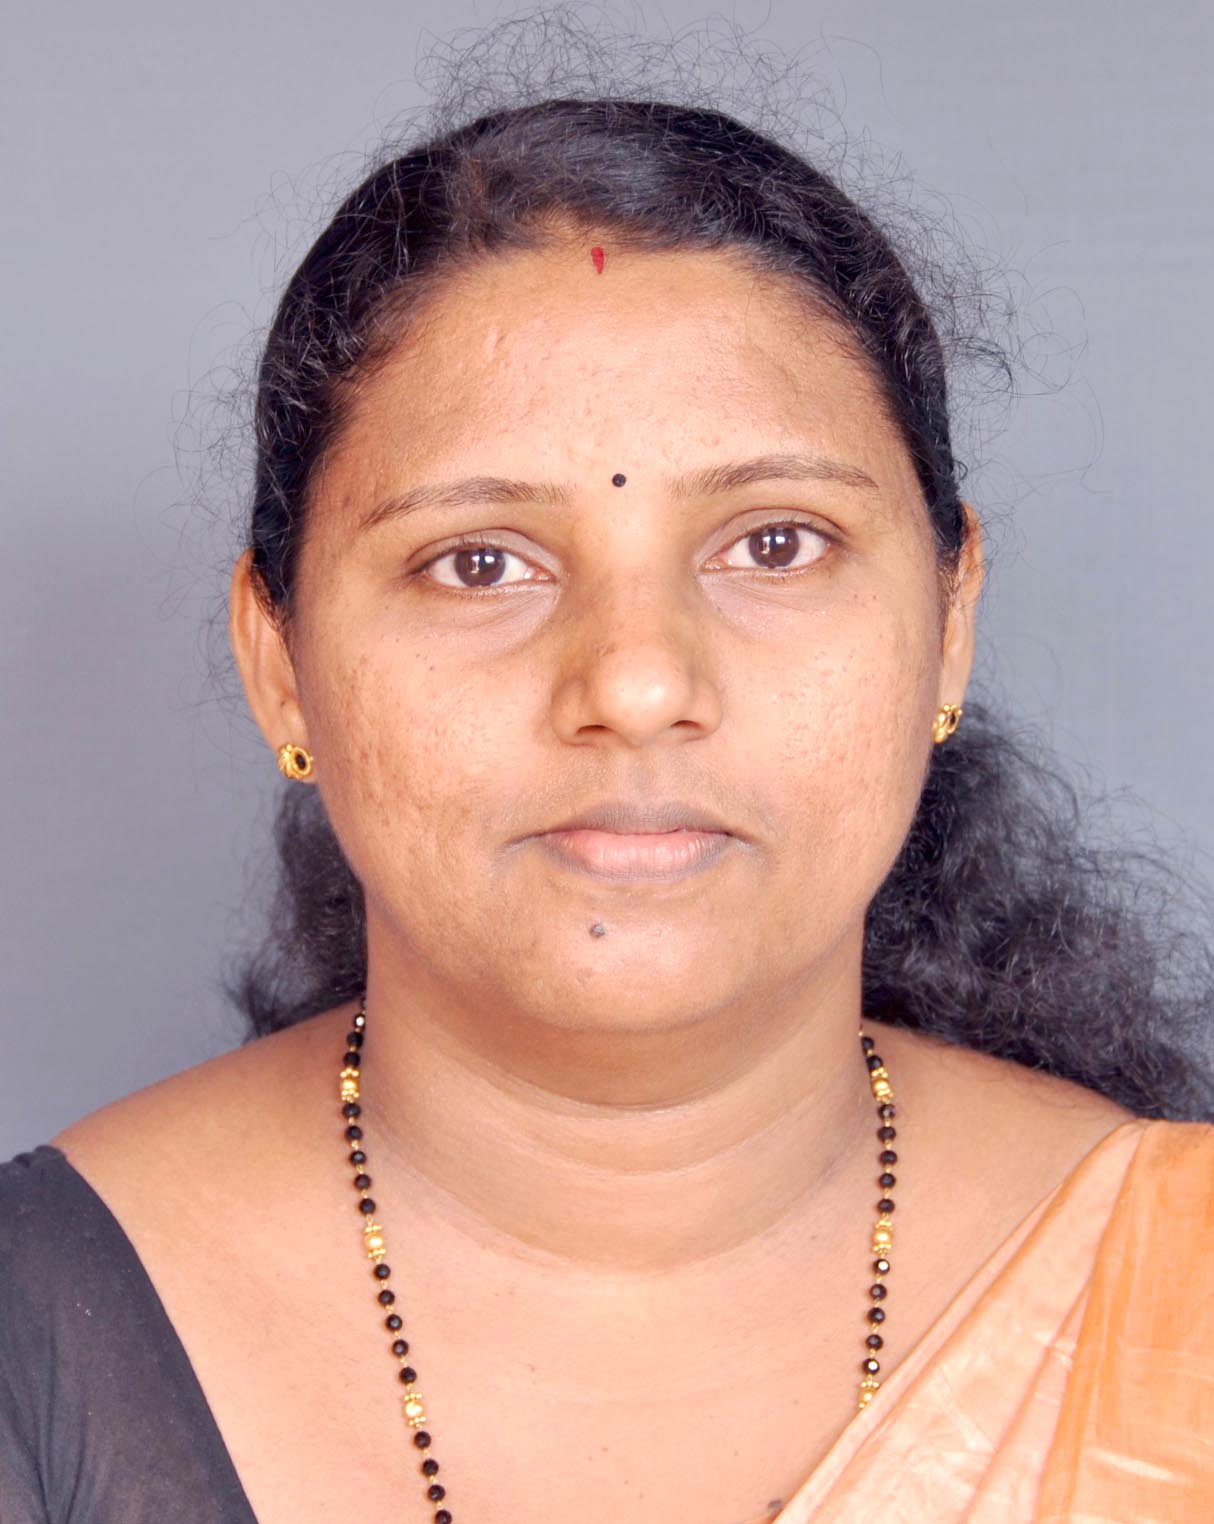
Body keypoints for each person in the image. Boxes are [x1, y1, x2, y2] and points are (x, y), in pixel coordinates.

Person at [2, 92, 1212, 1524]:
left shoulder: (1178, 1294)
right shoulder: (40, 1339)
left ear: (947, 628)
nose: (637, 684)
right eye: (479, 563)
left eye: (775, 543)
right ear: (280, 665)